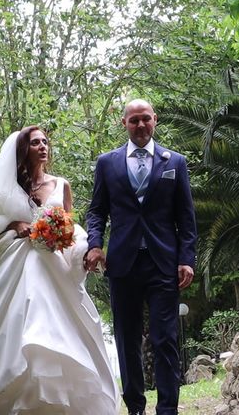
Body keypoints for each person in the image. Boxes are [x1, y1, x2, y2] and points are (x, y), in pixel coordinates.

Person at [0, 126, 119, 415]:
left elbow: (71, 227)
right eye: (35, 142)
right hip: (16, 264)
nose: (42, 147)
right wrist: (15, 226)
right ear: (23, 150)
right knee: (16, 323)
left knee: (56, 327)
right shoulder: (6, 189)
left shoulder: (61, 185)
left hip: (52, 266)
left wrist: (67, 240)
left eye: (45, 142)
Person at [85, 100, 197, 415]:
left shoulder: (175, 162)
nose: (140, 125)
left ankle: (167, 409)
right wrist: (95, 244)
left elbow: (186, 218)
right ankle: (135, 407)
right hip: (122, 264)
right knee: (127, 339)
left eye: (145, 119)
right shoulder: (107, 163)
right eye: (134, 120)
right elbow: (97, 212)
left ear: (155, 120)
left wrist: (186, 258)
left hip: (164, 263)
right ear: (124, 123)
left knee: (165, 338)